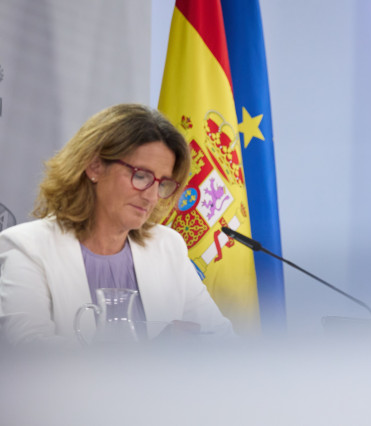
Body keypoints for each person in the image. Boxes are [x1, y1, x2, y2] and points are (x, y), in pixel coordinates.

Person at [0, 103, 234, 345]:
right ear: (95, 166)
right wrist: (151, 354)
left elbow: (221, 339)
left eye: (163, 183)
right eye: (141, 175)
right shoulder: (26, 247)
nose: (152, 197)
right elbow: (29, 353)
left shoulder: (168, 246)